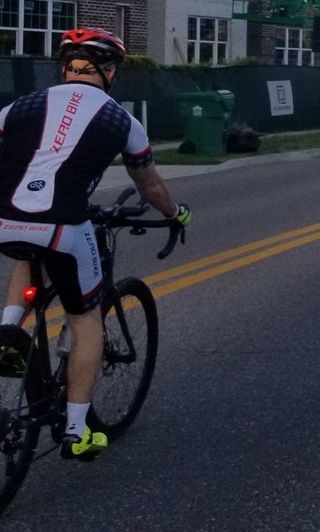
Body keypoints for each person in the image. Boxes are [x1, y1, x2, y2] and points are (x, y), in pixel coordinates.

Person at [0, 28, 191, 461]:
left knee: (28, 254)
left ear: (65, 68)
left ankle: (9, 332)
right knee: (84, 318)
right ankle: (76, 430)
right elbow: (150, 187)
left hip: (7, 219)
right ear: (109, 71)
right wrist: (175, 213)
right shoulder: (121, 121)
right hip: (64, 226)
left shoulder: (19, 106)